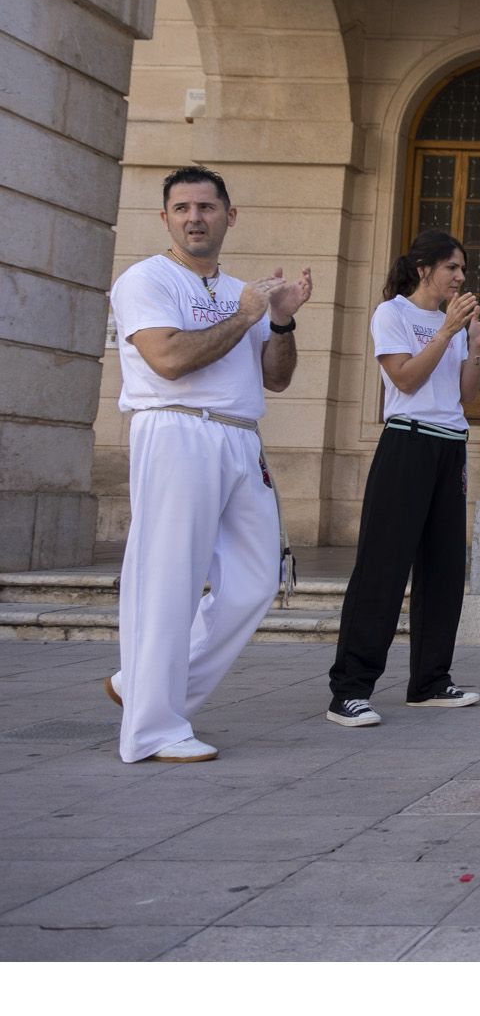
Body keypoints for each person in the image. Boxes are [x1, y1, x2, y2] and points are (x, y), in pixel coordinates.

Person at [105, 166, 312, 762]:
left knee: (254, 581)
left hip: (240, 435)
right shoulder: (146, 279)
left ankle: (141, 687)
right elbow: (168, 360)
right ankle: (152, 729)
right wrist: (247, 315)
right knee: (168, 579)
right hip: (176, 429)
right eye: (182, 208)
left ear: (229, 216)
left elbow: (276, 377)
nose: (194, 218)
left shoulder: (242, 290)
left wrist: (280, 319)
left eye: (206, 207)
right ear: (165, 218)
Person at [324, 230, 480, 727]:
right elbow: (405, 379)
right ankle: (349, 690)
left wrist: (475, 345)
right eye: (452, 267)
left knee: (444, 568)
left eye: (463, 269)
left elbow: (464, 395)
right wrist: (447, 332)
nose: (460, 276)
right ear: (424, 269)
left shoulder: (454, 324)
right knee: (383, 568)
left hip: (450, 446)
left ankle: (429, 682)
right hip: (407, 443)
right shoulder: (393, 314)